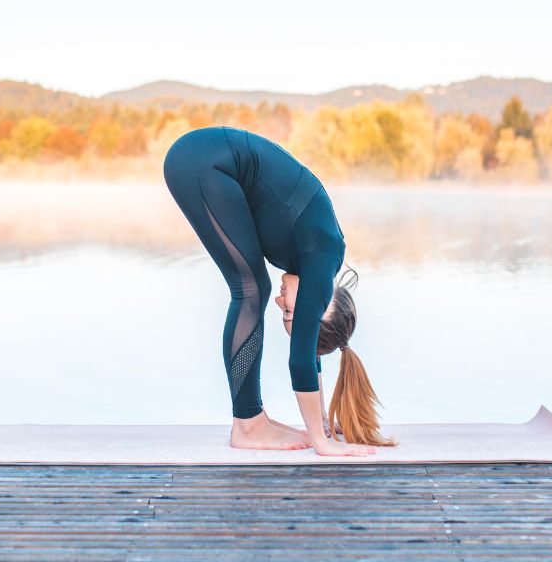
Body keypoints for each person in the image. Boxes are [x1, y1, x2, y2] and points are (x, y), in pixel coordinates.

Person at [162, 125, 395, 456]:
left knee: (254, 289)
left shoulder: (315, 260)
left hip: (201, 158)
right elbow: (300, 358)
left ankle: (252, 419)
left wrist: (323, 421)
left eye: (284, 312)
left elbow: (308, 352)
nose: (280, 302)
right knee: (251, 290)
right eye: (289, 311)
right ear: (323, 303)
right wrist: (321, 442)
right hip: (205, 159)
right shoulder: (322, 255)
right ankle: (248, 424)